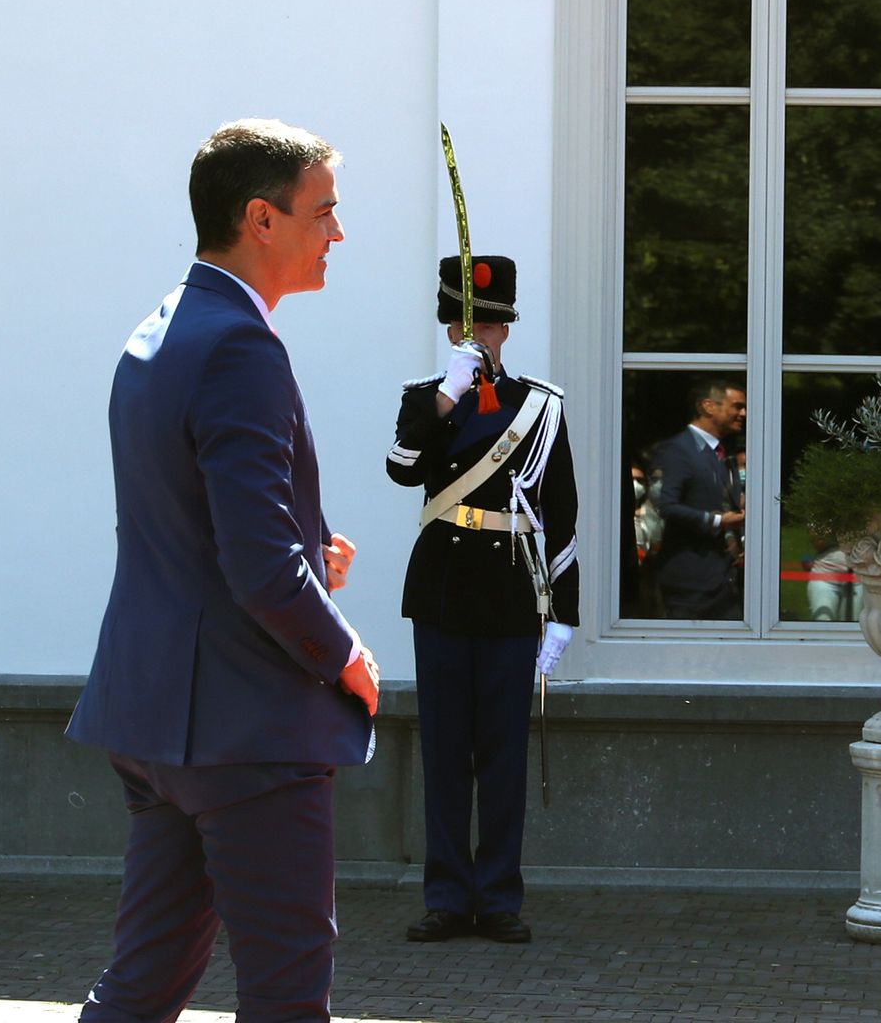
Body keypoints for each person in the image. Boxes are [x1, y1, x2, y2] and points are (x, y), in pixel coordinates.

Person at [66, 119, 380, 1022]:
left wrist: (307, 544)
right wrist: (344, 654)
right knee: (286, 995)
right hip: (247, 731)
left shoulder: (162, 328)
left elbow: (185, 520)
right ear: (261, 219)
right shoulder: (242, 346)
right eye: (325, 211)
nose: (339, 233)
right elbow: (258, 569)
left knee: (143, 983)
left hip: (156, 717)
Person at [386, 255, 578, 944]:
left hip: (506, 593)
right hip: (441, 589)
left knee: (501, 754)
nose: (484, 337)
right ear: (450, 330)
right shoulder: (423, 398)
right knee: (443, 750)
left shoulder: (542, 407)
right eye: (471, 325)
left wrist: (562, 615)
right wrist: (447, 397)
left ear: (507, 330)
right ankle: (446, 895)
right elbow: (402, 468)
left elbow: (562, 514)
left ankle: (498, 896)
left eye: (494, 326)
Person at [651, 379, 746, 619]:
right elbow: (666, 505)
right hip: (690, 584)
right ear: (708, 406)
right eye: (736, 406)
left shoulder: (725, 453)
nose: (743, 413)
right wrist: (718, 522)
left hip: (725, 583)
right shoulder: (677, 450)